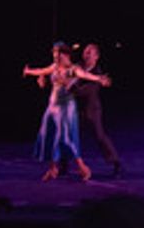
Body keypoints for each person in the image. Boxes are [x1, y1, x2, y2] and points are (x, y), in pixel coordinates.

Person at [23, 42, 109, 181]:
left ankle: (82, 168)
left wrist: (99, 78)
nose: (56, 57)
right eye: (54, 54)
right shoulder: (55, 67)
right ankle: (53, 168)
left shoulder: (73, 69)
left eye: (58, 54)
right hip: (52, 108)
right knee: (49, 136)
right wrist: (29, 71)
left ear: (66, 55)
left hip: (66, 109)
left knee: (67, 139)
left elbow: (85, 75)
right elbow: (42, 70)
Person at [72, 42, 121, 177]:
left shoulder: (97, 73)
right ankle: (62, 165)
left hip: (92, 110)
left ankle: (116, 162)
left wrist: (72, 90)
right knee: (69, 136)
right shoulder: (77, 67)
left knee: (100, 136)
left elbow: (87, 91)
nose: (86, 54)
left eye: (90, 52)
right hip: (77, 109)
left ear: (96, 57)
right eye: (85, 51)